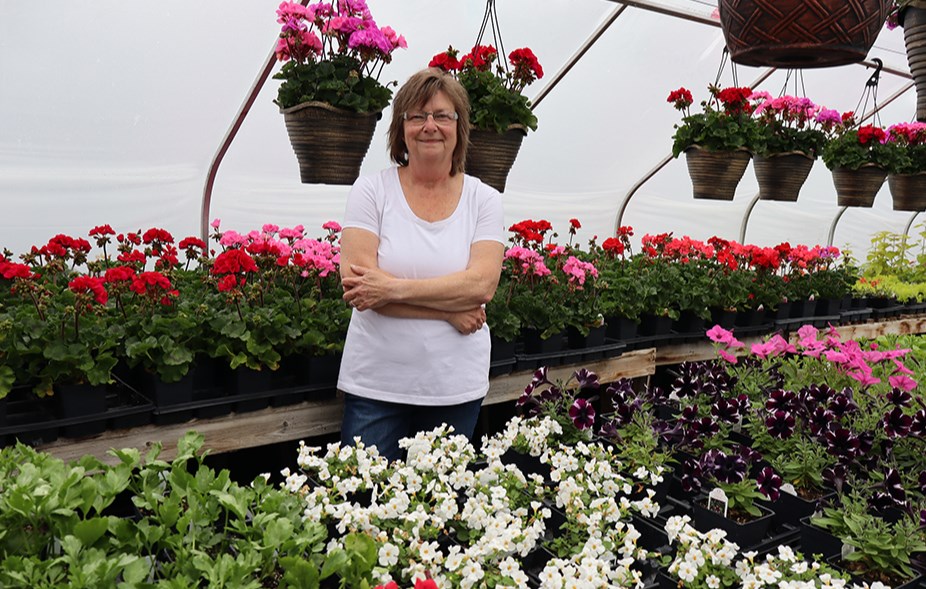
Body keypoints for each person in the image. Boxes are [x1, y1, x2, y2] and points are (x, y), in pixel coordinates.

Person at [337, 67, 505, 462]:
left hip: (453, 386)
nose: (430, 126)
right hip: (376, 385)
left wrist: (392, 288)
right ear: (402, 129)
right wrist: (448, 310)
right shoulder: (372, 190)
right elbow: (360, 288)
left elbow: (481, 286)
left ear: (459, 128)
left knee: (439, 509)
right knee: (360, 500)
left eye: (442, 116)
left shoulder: (483, 200)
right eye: (417, 116)